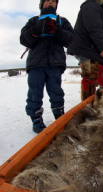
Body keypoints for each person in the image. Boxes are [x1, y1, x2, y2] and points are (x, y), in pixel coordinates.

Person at [20, 0, 74, 133]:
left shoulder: (63, 21)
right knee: (35, 92)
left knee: (56, 91)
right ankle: (36, 119)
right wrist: (36, 30)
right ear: (41, 4)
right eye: (47, 0)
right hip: (36, 64)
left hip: (55, 64)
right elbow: (23, 39)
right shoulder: (33, 20)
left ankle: (59, 115)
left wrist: (58, 31)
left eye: (53, 1)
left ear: (56, 5)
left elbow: (71, 40)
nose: (50, 3)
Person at [67, 0, 103, 100]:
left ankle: (89, 103)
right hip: (86, 49)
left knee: (91, 77)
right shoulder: (92, 6)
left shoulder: (97, 9)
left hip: (89, 49)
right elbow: (94, 27)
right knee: (90, 77)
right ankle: (87, 105)